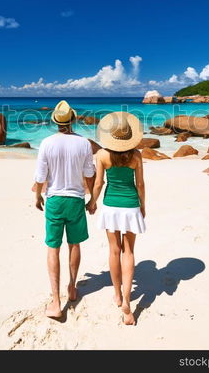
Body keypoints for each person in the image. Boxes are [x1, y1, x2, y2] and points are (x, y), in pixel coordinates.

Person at [34, 100, 96, 318]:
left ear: (55, 122)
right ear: (73, 120)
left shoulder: (47, 143)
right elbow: (90, 174)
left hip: (54, 200)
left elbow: (41, 176)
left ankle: (55, 301)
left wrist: (37, 196)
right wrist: (93, 199)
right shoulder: (84, 144)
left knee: (53, 248)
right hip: (76, 199)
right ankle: (72, 287)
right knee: (74, 244)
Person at [87, 111, 145, 325]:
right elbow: (140, 184)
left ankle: (118, 294)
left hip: (111, 206)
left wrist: (92, 202)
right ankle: (128, 301)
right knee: (129, 251)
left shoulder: (102, 155)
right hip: (130, 206)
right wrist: (143, 205)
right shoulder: (136, 155)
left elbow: (99, 183)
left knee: (114, 250)